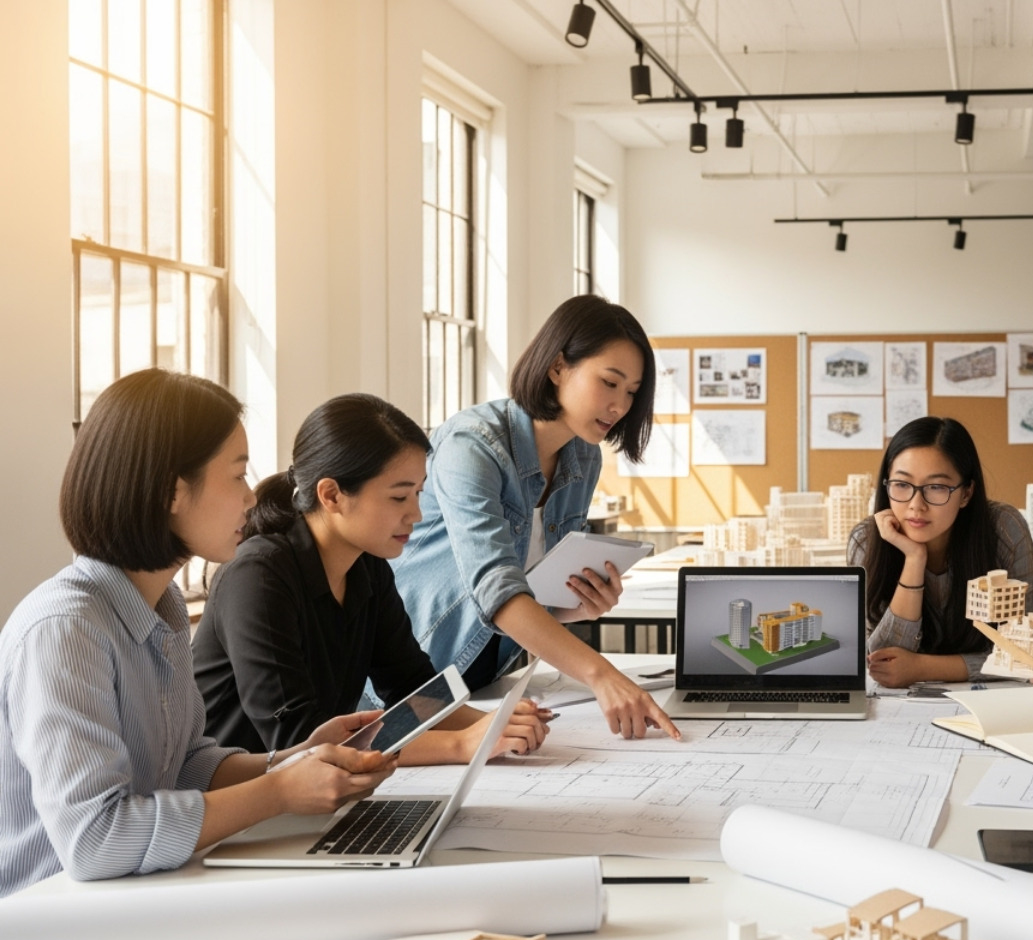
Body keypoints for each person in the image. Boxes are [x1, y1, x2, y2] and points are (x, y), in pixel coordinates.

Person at [0, 370, 396, 899]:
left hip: (131, 900)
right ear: (171, 491)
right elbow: (97, 839)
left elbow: (185, 765)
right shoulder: (65, 629)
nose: (252, 498)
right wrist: (279, 792)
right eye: (236, 475)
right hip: (42, 921)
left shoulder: (159, 606)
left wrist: (296, 759)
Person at [194, 394, 551, 762]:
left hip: (313, 796)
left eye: (418, 493)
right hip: (241, 800)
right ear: (332, 495)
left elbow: (415, 690)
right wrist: (463, 743)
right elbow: (299, 741)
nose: (415, 513)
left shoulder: (367, 565)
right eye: (399, 498)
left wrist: (492, 723)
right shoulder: (259, 577)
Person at [394, 295, 680, 740]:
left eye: (631, 392)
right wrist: (601, 674)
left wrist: (575, 605)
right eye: (609, 382)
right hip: (415, 684)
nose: (620, 406)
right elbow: (496, 590)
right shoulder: (472, 446)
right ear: (557, 367)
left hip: (488, 678)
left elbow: (534, 592)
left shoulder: (584, 457)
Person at [847, 417, 1033, 688]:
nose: (916, 505)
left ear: (966, 493)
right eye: (902, 485)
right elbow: (883, 662)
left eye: (936, 487)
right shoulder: (867, 541)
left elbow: (1028, 653)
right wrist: (914, 559)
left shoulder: (1005, 530)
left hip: (993, 701)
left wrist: (922, 667)